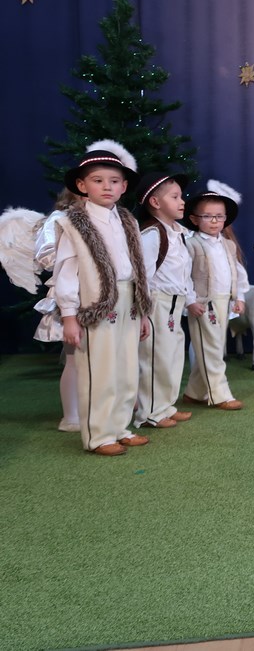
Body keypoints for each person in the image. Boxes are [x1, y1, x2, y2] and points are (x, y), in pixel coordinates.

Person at [53, 140, 153, 456]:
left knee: (126, 369)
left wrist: (142, 311)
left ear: (124, 186)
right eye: (98, 180)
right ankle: (98, 435)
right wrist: (69, 316)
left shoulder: (128, 220)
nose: (107, 187)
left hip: (129, 302)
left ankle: (120, 427)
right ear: (82, 186)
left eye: (114, 181)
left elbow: (138, 266)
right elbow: (66, 271)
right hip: (96, 306)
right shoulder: (72, 223)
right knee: (100, 371)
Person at [133, 172, 194, 429]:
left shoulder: (178, 233)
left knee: (172, 356)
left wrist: (189, 299)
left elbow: (184, 272)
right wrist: (143, 312)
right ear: (155, 202)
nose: (182, 202)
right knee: (155, 358)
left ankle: (166, 405)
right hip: (158, 303)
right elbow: (142, 276)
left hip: (175, 304)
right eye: (175, 197)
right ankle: (150, 413)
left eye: (181, 196)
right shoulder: (152, 234)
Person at [181, 180, 249, 411]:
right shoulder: (191, 244)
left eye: (219, 216)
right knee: (210, 348)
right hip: (203, 303)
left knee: (215, 346)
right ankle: (220, 394)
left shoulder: (228, 245)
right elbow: (184, 276)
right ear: (194, 219)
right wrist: (190, 301)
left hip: (224, 302)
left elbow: (237, 272)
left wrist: (239, 297)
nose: (214, 221)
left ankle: (194, 392)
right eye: (208, 216)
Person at [30, 189, 82, 432]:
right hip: (71, 292)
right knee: (74, 357)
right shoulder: (60, 219)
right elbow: (46, 257)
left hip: (99, 294)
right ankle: (71, 416)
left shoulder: (107, 218)